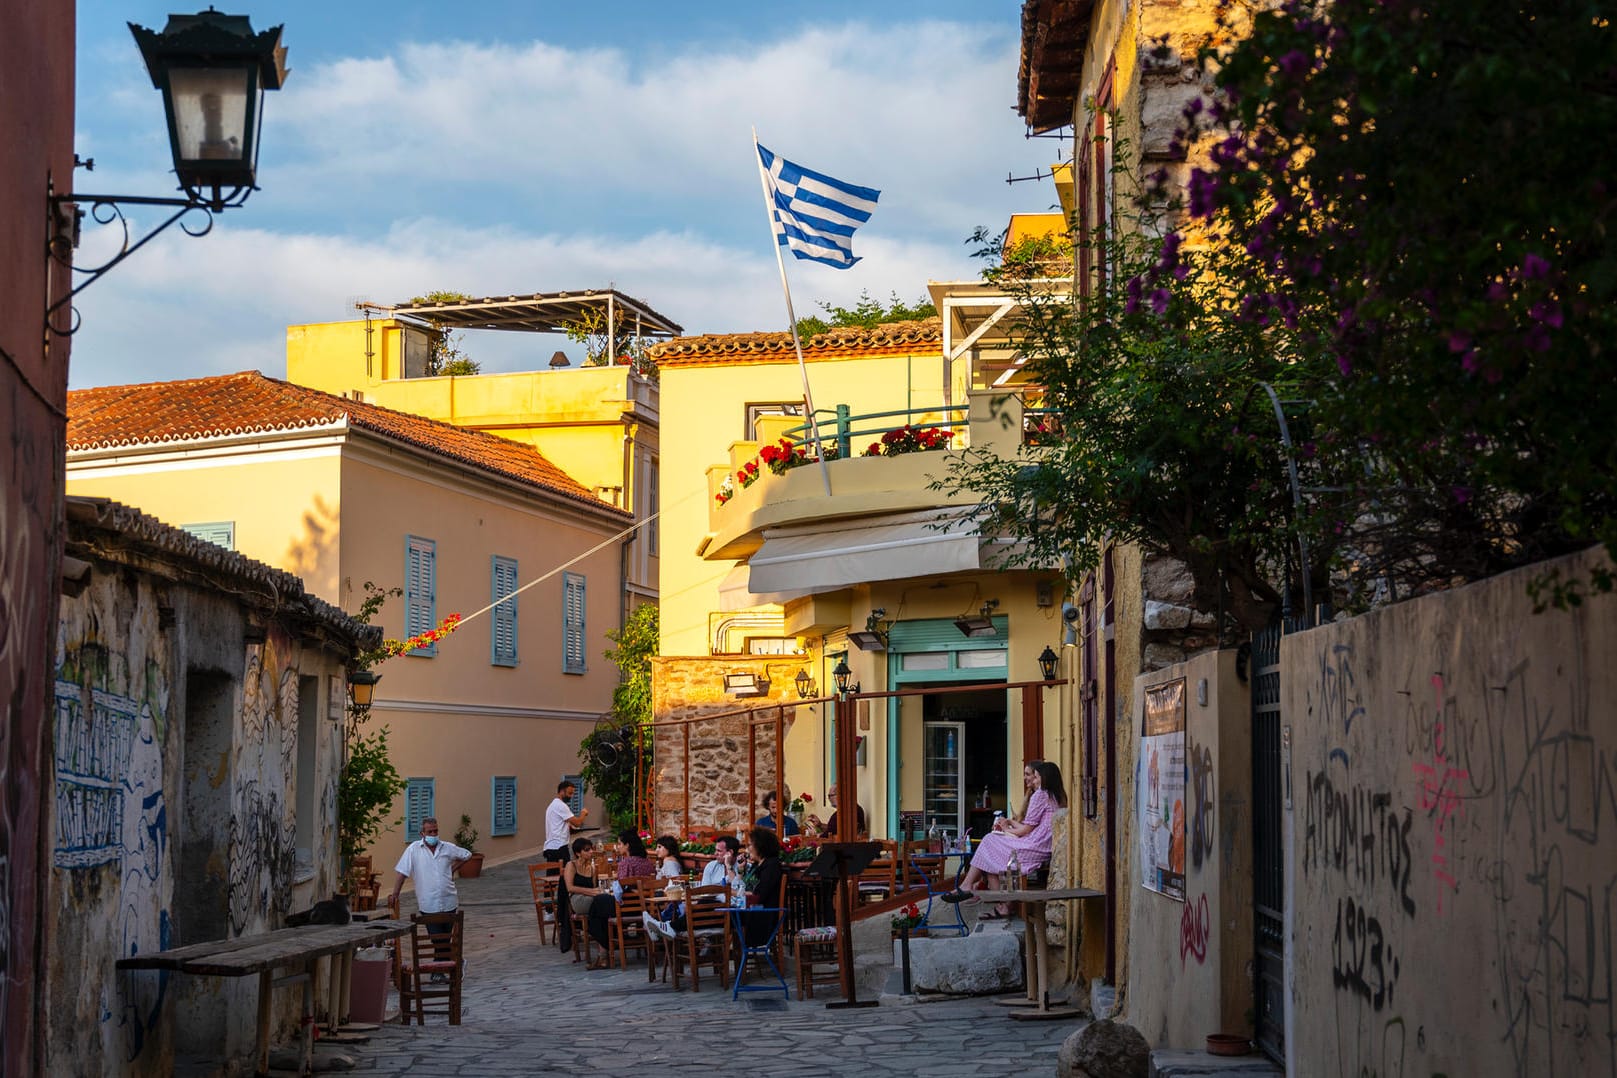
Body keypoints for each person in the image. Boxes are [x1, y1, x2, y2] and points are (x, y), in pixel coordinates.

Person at [943, 761, 1068, 919]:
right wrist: (1008, 824)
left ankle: (972, 887)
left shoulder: (1040, 794)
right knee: (990, 853)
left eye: (1036, 777)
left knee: (989, 839)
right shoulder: (1059, 796)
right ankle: (1001, 905)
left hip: (1032, 848)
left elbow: (1026, 830)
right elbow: (1033, 826)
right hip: (1043, 848)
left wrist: (1005, 829)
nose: (1033, 781)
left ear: (1045, 778)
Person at [389, 817, 472, 980]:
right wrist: (395, 893)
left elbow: (467, 855)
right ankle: (454, 962)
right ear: (422, 833)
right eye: (430, 832)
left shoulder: (447, 848)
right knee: (436, 939)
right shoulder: (413, 850)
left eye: (435, 831)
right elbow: (402, 873)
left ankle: (438, 971)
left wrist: (451, 869)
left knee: (444, 938)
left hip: (448, 900)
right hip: (428, 903)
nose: (433, 834)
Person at [544, 779, 588, 952]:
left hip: (553, 846)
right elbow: (577, 822)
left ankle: (554, 909)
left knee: (557, 877)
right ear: (561, 791)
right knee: (563, 879)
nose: (570, 796)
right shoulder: (560, 805)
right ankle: (555, 910)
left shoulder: (552, 806)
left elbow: (566, 826)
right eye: (569, 793)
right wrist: (584, 813)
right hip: (558, 847)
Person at [563, 837, 614, 968]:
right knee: (603, 903)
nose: (591, 852)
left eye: (591, 849)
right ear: (578, 853)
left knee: (602, 909)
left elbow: (595, 886)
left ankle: (603, 955)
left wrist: (595, 891)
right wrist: (592, 892)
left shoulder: (592, 868)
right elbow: (570, 888)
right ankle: (609, 947)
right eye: (587, 850)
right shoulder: (571, 865)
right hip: (577, 900)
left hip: (592, 900)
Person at [992, 761, 1042, 834]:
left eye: (1027, 774)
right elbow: (1025, 825)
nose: (1024, 778)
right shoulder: (1030, 795)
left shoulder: (1039, 796)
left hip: (1030, 839)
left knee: (990, 838)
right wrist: (1007, 823)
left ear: (1037, 776)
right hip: (1027, 835)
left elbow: (1028, 830)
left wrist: (1007, 828)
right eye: (1024, 774)